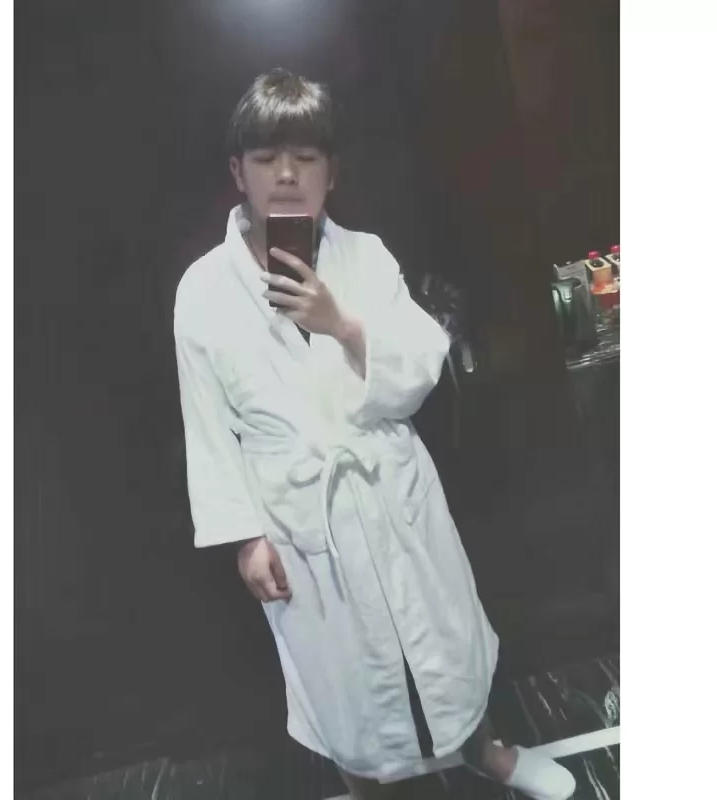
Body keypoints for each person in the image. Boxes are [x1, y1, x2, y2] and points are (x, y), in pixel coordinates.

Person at [173, 68, 576, 800]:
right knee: (339, 677)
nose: (287, 174)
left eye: (306, 157)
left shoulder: (367, 257)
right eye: (266, 158)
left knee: (444, 637)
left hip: (392, 491)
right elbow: (206, 424)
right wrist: (244, 537)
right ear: (238, 172)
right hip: (300, 515)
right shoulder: (201, 291)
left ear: (332, 172)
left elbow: (421, 369)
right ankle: (368, 791)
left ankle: (489, 753)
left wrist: (342, 324)